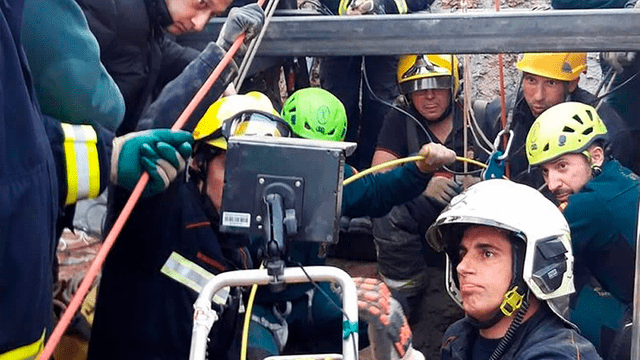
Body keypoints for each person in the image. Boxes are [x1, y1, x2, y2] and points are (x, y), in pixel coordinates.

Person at [244, 87, 457, 359]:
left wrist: (419, 171)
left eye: (326, 155)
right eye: (306, 149)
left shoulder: (334, 179)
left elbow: (377, 190)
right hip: (255, 305)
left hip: (308, 293)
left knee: (385, 320)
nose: (315, 163)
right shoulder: (251, 185)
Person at [88, 92, 291, 359]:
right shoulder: (163, 212)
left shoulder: (240, 246)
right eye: (235, 165)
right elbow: (156, 125)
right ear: (198, 162)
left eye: (259, 172)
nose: (247, 183)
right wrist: (216, 61)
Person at [370, 54, 491, 323]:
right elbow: (379, 174)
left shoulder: (480, 116)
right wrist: (420, 184)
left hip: (475, 223)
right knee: (386, 204)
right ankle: (406, 296)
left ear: (453, 86)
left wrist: (480, 186)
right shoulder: (401, 119)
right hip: (423, 226)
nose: (429, 96)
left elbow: (513, 179)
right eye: (418, 88)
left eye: (437, 84)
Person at [424, 178, 602, 360]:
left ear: (537, 264)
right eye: (463, 254)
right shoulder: (458, 337)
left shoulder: (558, 355)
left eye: (487, 254)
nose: (462, 267)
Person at [525, 102, 638, 360]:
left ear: (595, 156)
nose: (552, 183)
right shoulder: (622, 176)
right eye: (545, 171)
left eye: (562, 166)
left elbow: (533, 256)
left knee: (555, 300)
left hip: (635, 328)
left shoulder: (587, 205)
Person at [76, 0, 265, 135]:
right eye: (202, 3)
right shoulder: (105, 8)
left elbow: (156, 50)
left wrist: (218, 65)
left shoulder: (148, 18)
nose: (199, 24)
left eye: (213, 15)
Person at [481, 52, 635, 189]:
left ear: (573, 83)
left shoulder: (609, 133)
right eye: (531, 80)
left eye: (551, 83)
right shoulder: (500, 116)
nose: (538, 96)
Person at [318, 0, 435, 170]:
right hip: (337, 25)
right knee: (338, 105)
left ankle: (373, 176)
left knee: (381, 105)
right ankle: (339, 174)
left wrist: (387, 6)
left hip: (389, 26)